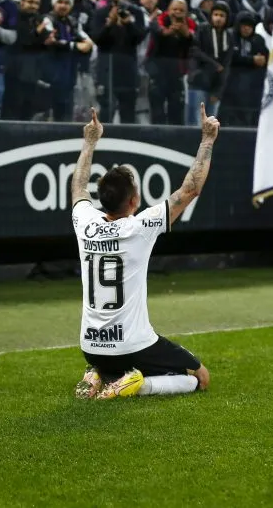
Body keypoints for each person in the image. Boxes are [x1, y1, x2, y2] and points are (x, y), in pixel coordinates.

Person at [71, 105, 217, 400]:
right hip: (132, 344)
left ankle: (100, 373)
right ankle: (134, 385)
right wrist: (207, 139)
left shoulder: (84, 222)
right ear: (134, 199)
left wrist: (89, 142)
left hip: (91, 347)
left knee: (116, 362)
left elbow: (77, 188)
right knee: (199, 378)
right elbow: (190, 189)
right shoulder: (139, 227)